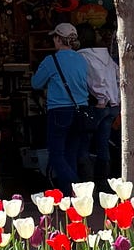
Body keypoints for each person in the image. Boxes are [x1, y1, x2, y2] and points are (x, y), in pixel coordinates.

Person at [32, 21, 90, 187]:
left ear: (58, 39)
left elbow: (36, 83)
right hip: (81, 109)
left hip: (59, 110)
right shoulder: (82, 59)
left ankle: (76, 187)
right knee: (71, 153)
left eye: (55, 38)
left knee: (56, 154)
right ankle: (71, 196)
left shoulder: (52, 60)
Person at [78, 23, 121, 177]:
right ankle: (104, 180)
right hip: (112, 104)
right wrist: (115, 99)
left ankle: (87, 182)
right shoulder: (106, 56)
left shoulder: (83, 56)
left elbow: (94, 80)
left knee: (84, 141)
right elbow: (118, 77)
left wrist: (101, 99)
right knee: (103, 143)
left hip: (98, 104)